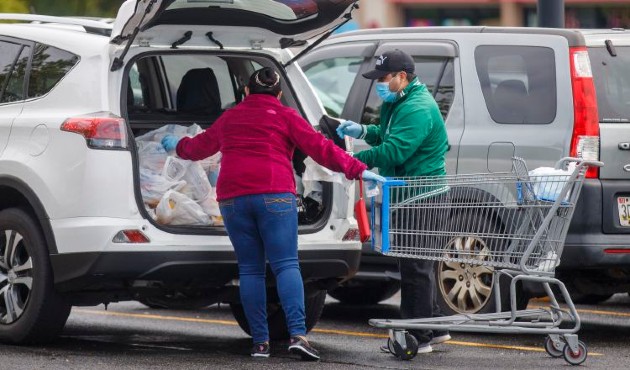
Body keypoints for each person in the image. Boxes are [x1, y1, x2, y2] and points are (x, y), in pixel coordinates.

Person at [161, 67, 384, 360]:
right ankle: (297, 336)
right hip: (275, 196)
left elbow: (198, 148)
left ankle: (260, 344)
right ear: (279, 95)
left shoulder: (230, 117)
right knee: (286, 265)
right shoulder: (286, 116)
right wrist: (359, 170)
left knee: (250, 270)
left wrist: (175, 146)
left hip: (233, 200)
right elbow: (321, 149)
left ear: (247, 92)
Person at [336, 49, 451, 354]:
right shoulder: (400, 100)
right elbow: (387, 135)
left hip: (420, 196)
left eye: (384, 78)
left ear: (402, 77)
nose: (380, 85)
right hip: (408, 194)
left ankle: (419, 333)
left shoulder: (417, 107)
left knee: (416, 267)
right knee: (416, 264)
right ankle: (434, 324)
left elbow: (394, 152)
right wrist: (363, 130)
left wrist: (350, 160)